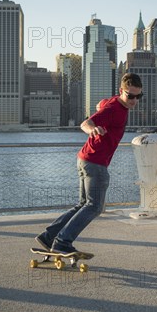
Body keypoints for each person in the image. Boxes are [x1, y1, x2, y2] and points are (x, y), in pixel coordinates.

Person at [35, 73, 143, 255]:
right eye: (130, 96)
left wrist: (100, 106)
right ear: (121, 91)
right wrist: (93, 129)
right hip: (95, 163)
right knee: (94, 206)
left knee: (83, 204)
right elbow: (85, 123)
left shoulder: (114, 104)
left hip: (85, 159)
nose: (133, 100)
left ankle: (49, 236)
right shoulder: (114, 109)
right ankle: (62, 242)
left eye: (138, 96)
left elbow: (102, 103)